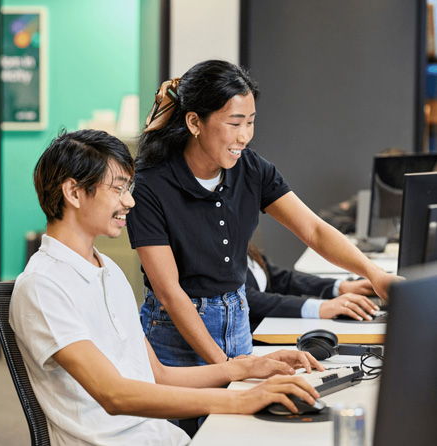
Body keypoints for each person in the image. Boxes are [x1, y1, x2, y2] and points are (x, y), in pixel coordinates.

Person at [9, 129, 323, 445]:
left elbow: (158, 375)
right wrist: (241, 401)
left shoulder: (108, 271)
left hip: (159, 437)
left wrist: (246, 367)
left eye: (128, 188)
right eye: (118, 189)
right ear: (74, 193)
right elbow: (113, 395)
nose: (129, 201)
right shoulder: (42, 286)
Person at [126, 59, 402, 368]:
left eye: (250, 122)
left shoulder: (251, 168)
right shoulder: (151, 182)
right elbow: (169, 293)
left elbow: (314, 230)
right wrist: (230, 368)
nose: (244, 136)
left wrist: (374, 273)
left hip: (238, 321)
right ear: (194, 123)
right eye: (234, 123)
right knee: (197, 414)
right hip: (175, 334)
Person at [246, 243, 379, 332]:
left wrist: (340, 287)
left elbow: (280, 279)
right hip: (251, 338)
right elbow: (247, 299)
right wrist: (321, 307)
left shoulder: (244, 245)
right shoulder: (226, 250)